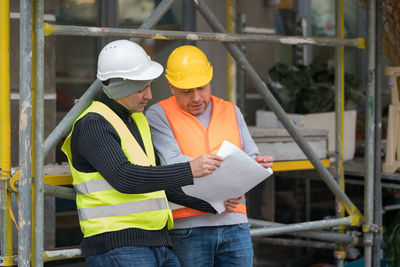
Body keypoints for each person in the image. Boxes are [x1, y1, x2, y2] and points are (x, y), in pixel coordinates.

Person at [61, 40, 223, 267]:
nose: (148, 95)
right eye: (140, 89)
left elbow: (157, 180)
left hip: (157, 243)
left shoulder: (137, 120)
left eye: (148, 86)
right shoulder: (93, 124)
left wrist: (212, 203)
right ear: (118, 86)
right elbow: (125, 178)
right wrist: (190, 169)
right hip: (118, 246)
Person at [146, 45, 274, 267]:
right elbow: (172, 163)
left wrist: (257, 164)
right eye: (186, 91)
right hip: (189, 226)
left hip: (235, 222)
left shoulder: (231, 110)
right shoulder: (158, 114)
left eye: (201, 88)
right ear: (171, 87)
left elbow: (250, 155)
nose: (196, 97)